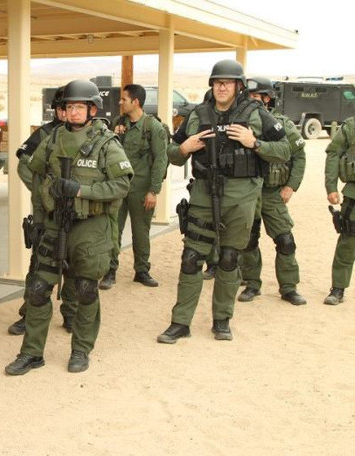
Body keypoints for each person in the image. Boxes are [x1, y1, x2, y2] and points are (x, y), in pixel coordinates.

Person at [157, 59, 290, 344]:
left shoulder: (256, 113)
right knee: (191, 258)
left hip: (241, 197)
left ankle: (222, 320)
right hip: (204, 193)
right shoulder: (197, 114)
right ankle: (180, 322)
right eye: (218, 82)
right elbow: (171, 152)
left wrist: (254, 143)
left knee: (229, 258)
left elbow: (284, 150)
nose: (222, 87)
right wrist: (183, 148)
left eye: (228, 83)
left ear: (238, 86)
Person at [5, 79, 133, 375]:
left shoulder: (106, 143)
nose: (73, 112)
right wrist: (41, 211)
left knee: (85, 289)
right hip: (54, 224)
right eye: (69, 107)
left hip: (90, 227)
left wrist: (80, 191)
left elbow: (122, 184)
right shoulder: (52, 139)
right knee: (38, 289)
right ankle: (31, 353)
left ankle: (81, 349)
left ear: (92, 110)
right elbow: (35, 173)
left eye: (79, 107)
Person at [8, 86, 77, 336]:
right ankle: (29, 313)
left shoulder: (86, 135)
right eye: (62, 108)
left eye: (71, 107)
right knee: (39, 264)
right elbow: (24, 166)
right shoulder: (45, 134)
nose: (66, 113)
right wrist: (45, 193)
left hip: (75, 210)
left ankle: (71, 314)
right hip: (47, 213)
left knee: (73, 265)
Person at [237, 77, 306, 305]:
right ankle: (251, 284)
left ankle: (288, 287)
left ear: (267, 99)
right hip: (248, 192)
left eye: (257, 97)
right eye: (249, 96)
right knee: (248, 240)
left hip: (272, 193)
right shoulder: (239, 124)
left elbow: (298, 156)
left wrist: (291, 186)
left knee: (285, 240)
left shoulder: (281, 125)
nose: (252, 101)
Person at [100, 84, 168, 290]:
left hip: (141, 189)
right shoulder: (118, 123)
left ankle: (142, 271)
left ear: (135, 102)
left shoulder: (153, 127)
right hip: (118, 188)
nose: (120, 102)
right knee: (113, 230)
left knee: (141, 232)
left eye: (124, 99)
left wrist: (153, 191)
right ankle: (110, 270)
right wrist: (113, 134)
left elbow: (160, 160)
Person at [324, 116, 355, 305]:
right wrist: (331, 186)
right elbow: (333, 153)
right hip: (354, 193)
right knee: (348, 242)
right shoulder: (351, 126)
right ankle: (338, 288)